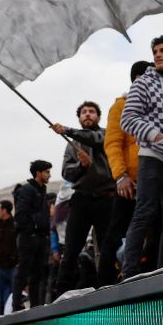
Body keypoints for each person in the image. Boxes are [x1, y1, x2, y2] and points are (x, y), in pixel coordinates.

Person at [119, 35, 163, 278]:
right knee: (144, 213)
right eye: (155, 51)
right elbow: (127, 118)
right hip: (153, 156)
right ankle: (128, 274)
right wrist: (156, 136)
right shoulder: (144, 82)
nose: (158, 55)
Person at [52, 101, 116, 293]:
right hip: (82, 200)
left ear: (98, 116)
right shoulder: (72, 145)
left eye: (92, 112)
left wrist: (67, 130)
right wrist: (81, 167)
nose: (88, 115)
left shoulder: (106, 135)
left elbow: (94, 139)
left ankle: (108, 291)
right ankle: (61, 293)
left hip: (107, 199)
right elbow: (66, 172)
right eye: (84, 112)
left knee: (107, 247)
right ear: (79, 117)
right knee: (71, 249)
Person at [103, 61, 150, 282]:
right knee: (116, 233)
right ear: (139, 77)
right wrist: (121, 175)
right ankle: (104, 283)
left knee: (148, 231)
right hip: (128, 183)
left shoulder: (156, 103)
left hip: (152, 180)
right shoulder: (120, 106)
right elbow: (112, 143)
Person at [12, 160, 52, 310]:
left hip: (40, 238)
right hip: (29, 238)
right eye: (47, 172)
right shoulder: (27, 190)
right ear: (38, 173)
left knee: (37, 274)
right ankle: (16, 306)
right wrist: (32, 228)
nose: (49, 175)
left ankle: (35, 307)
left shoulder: (42, 191)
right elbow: (21, 215)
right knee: (23, 272)